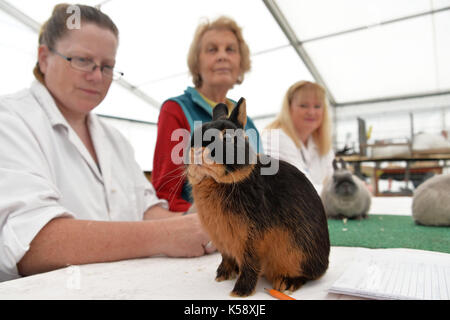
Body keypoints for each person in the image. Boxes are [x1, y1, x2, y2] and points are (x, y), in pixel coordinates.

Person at [0, 4, 214, 282]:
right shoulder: (11, 121)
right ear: (44, 58)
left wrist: (206, 219)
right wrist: (170, 235)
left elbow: (147, 210)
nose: (97, 76)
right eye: (81, 60)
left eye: (107, 66)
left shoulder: (115, 140)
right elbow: (33, 243)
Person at [152, 16, 262, 212]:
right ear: (197, 62)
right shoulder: (176, 110)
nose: (222, 56)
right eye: (212, 49)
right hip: (200, 230)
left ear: (240, 62)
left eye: (230, 49)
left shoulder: (248, 122)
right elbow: (166, 196)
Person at [261, 81, 334, 193]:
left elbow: (334, 179)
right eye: (303, 106)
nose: (311, 112)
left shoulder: (321, 143)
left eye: (317, 106)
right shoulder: (274, 138)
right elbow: (296, 187)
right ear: (289, 108)